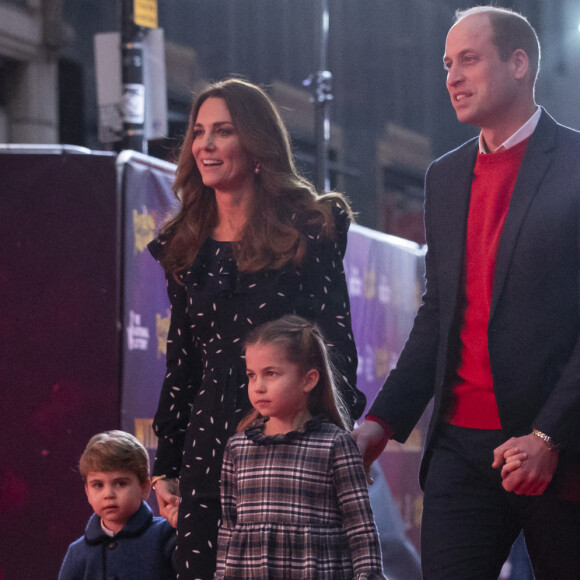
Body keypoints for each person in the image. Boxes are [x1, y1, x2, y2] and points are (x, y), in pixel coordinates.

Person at [353, 6, 580, 579]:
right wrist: (379, 424)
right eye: (448, 64)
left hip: (558, 447)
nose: (452, 76)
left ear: (520, 63)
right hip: (458, 449)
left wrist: (550, 433)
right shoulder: (445, 176)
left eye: (469, 60)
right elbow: (439, 313)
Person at [148, 78, 365, 578]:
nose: (204, 144)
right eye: (199, 132)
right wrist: (167, 463)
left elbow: (335, 346)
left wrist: (332, 441)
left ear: (256, 144)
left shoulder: (310, 227)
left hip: (290, 446)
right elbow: (181, 363)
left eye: (222, 131)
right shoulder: (185, 245)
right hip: (206, 451)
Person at [215, 315, 384, 579]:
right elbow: (228, 528)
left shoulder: (335, 445)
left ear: (309, 380)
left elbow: (360, 528)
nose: (258, 386)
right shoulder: (238, 448)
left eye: (270, 374)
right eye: (251, 375)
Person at [58, 430, 176, 580]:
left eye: (121, 483)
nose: (109, 494)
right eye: (98, 485)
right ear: (87, 492)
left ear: (144, 488)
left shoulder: (166, 535)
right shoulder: (77, 552)